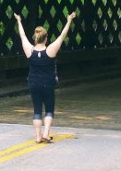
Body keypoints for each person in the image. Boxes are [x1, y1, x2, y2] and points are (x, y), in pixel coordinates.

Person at [13, 10, 76, 144]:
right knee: (49, 108)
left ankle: (37, 136)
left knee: (37, 109)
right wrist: (69, 20)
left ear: (35, 38)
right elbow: (63, 35)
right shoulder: (51, 50)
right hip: (48, 83)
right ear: (46, 39)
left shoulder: (29, 50)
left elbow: (22, 36)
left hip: (33, 83)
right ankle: (46, 134)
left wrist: (19, 21)